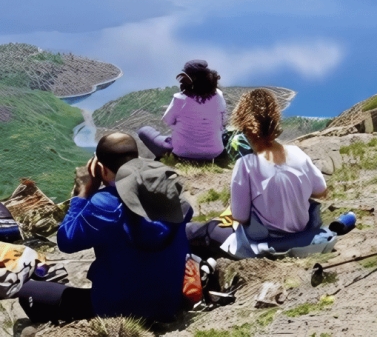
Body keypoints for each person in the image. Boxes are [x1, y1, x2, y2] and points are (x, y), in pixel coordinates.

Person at [16, 133, 191, 324]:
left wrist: (83, 193)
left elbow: (66, 241)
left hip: (118, 309)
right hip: (169, 302)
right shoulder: (168, 188)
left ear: (102, 168)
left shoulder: (105, 204)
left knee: (27, 291)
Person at [186, 88, 335, 259]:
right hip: (302, 236)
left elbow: (240, 217)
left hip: (265, 245)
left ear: (244, 125)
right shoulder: (297, 153)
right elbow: (321, 191)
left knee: (200, 231)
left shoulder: (245, 165)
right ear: (275, 119)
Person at [138, 59, 227, 162]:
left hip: (182, 153)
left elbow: (167, 121)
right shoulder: (219, 95)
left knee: (144, 131)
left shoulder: (179, 99)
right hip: (214, 153)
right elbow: (223, 121)